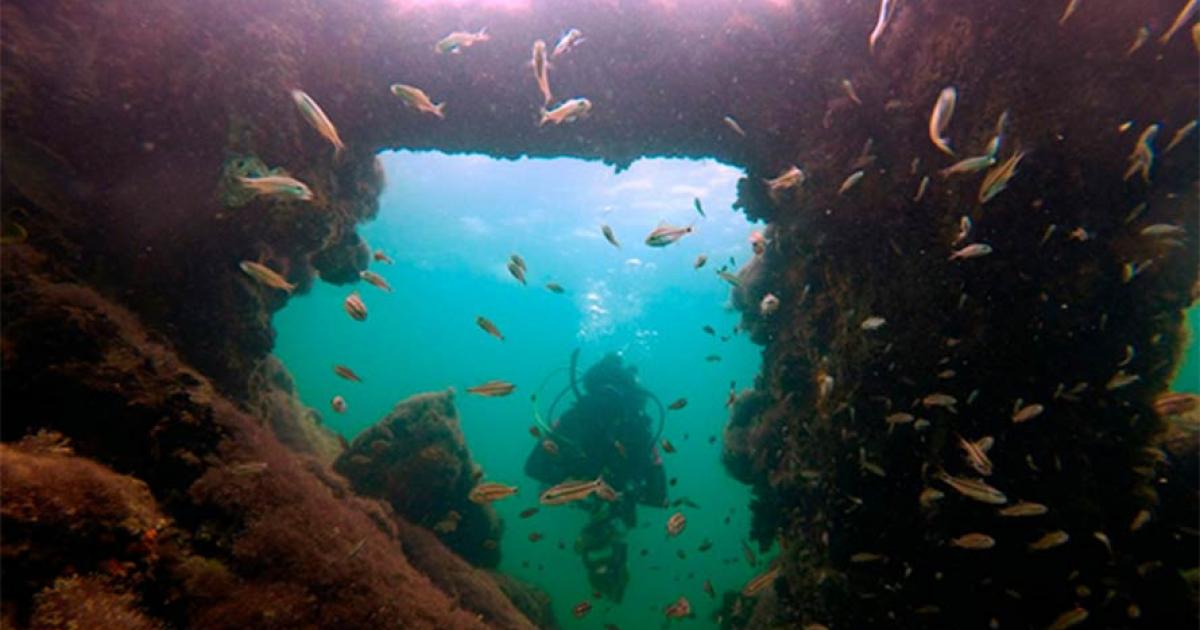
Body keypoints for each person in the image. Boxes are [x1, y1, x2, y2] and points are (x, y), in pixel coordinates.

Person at [524, 352, 668, 601]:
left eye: (612, 397)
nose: (605, 404)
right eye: (602, 396)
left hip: (607, 499)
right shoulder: (629, 427)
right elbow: (658, 494)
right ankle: (607, 567)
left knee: (606, 529)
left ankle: (607, 569)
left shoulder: (588, 418)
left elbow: (658, 494)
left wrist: (622, 494)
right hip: (592, 496)